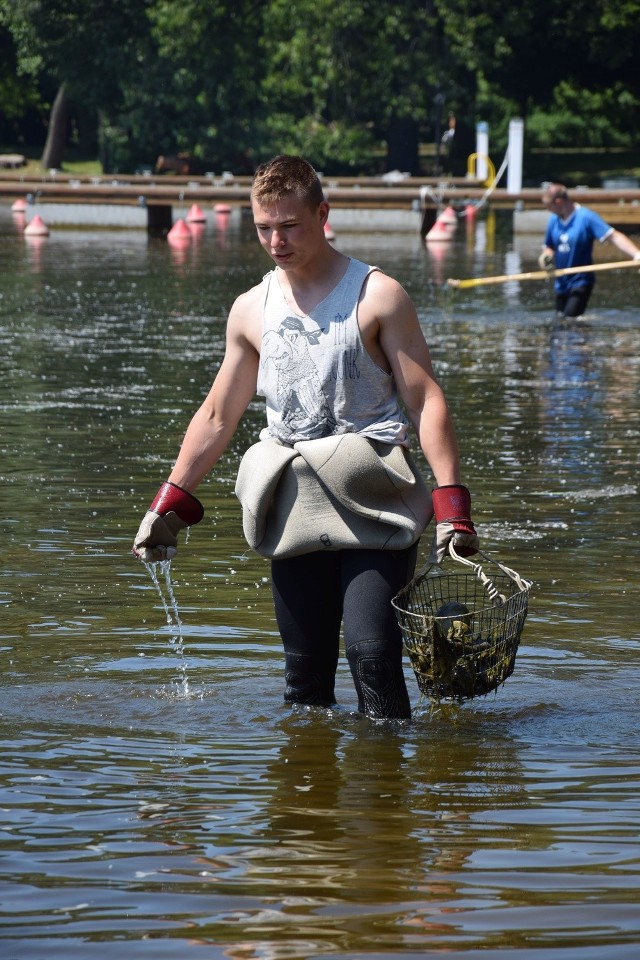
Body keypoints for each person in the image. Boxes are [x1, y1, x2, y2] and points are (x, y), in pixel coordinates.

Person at [133, 155, 479, 720]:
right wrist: (171, 498)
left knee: (372, 658)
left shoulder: (378, 296)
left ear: (323, 214)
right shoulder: (250, 309)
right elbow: (220, 413)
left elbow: (425, 400)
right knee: (304, 680)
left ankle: (385, 800)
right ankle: (306, 804)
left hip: (375, 498)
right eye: (264, 227)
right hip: (294, 504)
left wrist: (452, 504)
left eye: (289, 226)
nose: (276, 240)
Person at [539, 182, 640, 318]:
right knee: (560, 321)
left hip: (581, 280)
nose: (548, 210)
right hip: (561, 282)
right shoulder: (553, 220)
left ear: (558, 202)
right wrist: (546, 256)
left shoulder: (586, 217)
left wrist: (637, 255)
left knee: (570, 320)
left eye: (549, 206)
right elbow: (549, 245)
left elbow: (613, 236)